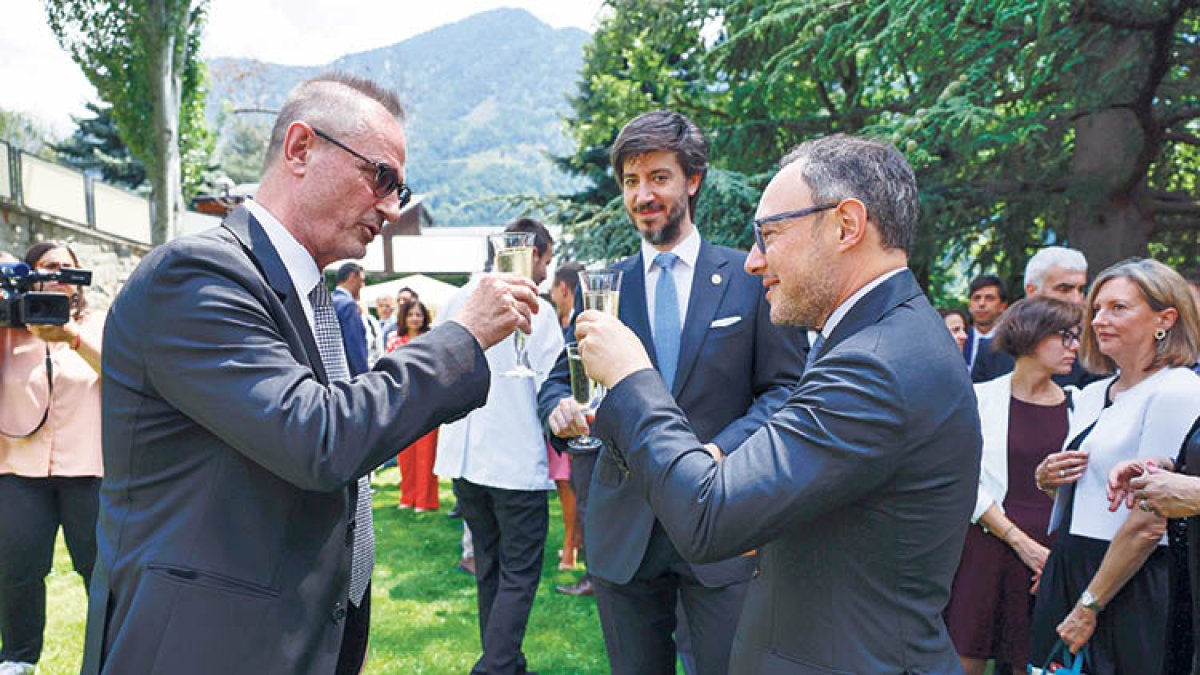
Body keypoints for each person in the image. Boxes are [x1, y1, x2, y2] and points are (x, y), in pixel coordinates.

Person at [82, 72, 540, 675]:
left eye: (401, 189)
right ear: (301, 148)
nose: (391, 207)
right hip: (202, 644)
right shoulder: (195, 277)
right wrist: (462, 337)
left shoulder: (308, 294)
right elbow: (319, 438)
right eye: (381, 177)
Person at [573, 133, 981, 673]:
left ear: (846, 226)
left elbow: (710, 517)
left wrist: (632, 379)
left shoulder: (874, 364)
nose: (753, 261)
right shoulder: (883, 338)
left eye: (770, 234)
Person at [540, 111, 807, 675]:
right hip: (623, 531)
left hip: (723, 525)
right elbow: (559, 383)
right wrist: (559, 409)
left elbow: (785, 391)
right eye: (631, 182)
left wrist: (718, 452)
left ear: (692, 181)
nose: (643, 195)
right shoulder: (603, 288)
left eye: (658, 177)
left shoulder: (748, 277)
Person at [1027, 258, 1200, 674]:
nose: (1099, 320)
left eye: (1118, 308)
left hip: (1127, 577)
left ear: (1165, 319)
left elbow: (1148, 520)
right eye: (1097, 309)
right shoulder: (1091, 393)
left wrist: (1090, 603)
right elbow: (1092, 490)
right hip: (1070, 560)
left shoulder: (1177, 390)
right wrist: (1047, 479)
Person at [435, 217, 563, 675]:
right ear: (532, 253)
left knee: (489, 568)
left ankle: (504, 662)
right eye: (546, 260)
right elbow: (555, 385)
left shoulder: (455, 299)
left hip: (464, 460)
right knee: (519, 573)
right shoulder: (540, 313)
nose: (547, 272)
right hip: (513, 461)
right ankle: (496, 666)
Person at [944, 297, 1083, 674]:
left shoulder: (1081, 404)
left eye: (1077, 337)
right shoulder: (979, 397)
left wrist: (1049, 557)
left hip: (1050, 559)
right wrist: (1019, 542)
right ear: (1032, 336)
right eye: (1066, 336)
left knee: (1034, 662)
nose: (1075, 346)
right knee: (964, 658)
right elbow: (961, 478)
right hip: (987, 545)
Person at [0, 242, 103, 675]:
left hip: (89, 470)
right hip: (19, 469)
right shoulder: (7, 330)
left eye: (67, 267)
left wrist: (70, 339)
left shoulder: (99, 323)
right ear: (30, 272)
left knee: (99, 571)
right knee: (17, 570)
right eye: (47, 266)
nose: (58, 273)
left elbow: (127, 374)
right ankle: (18, 658)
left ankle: (109, 654)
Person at [973, 246, 1097, 387]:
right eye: (1064, 289)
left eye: (1081, 289)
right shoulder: (991, 352)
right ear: (1032, 291)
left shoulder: (1092, 353)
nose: (1076, 299)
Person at [546, 262, 583, 572]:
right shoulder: (560, 320)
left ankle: (571, 549)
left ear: (563, 288)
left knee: (568, 486)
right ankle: (573, 547)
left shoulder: (575, 321)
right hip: (563, 415)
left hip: (579, 418)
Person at [388, 300, 439, 512]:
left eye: (419, 314)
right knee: (406, 455)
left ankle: (425, 500)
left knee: (426, 455)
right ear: (404, 317)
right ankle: (407, 497)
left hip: (427, 403)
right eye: (411, 315)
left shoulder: (431, 340)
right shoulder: (395, 341)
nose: (415, 319)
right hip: (403, 404)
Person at [965, 274, 1009, 380]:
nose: (981, 303)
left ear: (1003, 306)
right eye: (976, 298)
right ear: (969, 305)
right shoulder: (959, 339)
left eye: (989, 298)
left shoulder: (1010, 343)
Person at [333, 262, 370, 375]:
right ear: (352, 276)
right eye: (362, 280)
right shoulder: (348, 305)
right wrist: (364, 376)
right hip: (350, 375)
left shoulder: (329, 300)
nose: (363, 285)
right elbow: (355, 347)